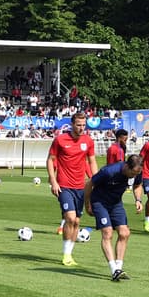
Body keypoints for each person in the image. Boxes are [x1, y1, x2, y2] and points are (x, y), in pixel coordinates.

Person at [48, 112, 98, 266]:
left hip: (81, 187)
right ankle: (65, 255)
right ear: (72, 124)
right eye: (78, 125)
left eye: (84, 125)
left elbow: (92, 161)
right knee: (69, 218)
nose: (81, 128)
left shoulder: (88, 141)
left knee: (76, 221)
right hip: (64, 186)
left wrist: (97, 180)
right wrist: (53, 181)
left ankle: (70, 254)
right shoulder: (60, 140)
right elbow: (50, 160)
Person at [85, 154, 144, 281]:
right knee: (107, 232)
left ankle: (119, 268)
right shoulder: (109, 171)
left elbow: (138, 185)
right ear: (127, 166)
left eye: (136, 174)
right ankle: (113, 270)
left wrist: (138, 199)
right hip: (100, 202)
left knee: (124, 233)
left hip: (116, 203)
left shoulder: (137, 172)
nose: (134, 176)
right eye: (132, 173)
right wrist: (87, 204)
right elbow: (89, 184)